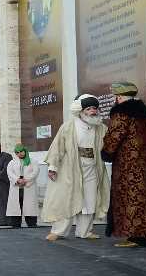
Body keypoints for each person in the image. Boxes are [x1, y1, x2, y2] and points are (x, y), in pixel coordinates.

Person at [101, 83, 146, 247]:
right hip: (144, 163)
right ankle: (143, 235)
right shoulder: (143, 114)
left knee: (130, 199)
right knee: (144, 199)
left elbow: (114, 135)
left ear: (119, 97)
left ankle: (136, 236)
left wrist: (106, 152)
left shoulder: (122, 113)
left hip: (127, 165)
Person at [43, 95, 110, 241]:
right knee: (66, 199)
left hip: (93, 169)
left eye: (94, 108)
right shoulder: (68, 126)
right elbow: (57, 147)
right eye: (89, 108)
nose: (92, 111)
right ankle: (58, 231)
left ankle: (85, 232)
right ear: (81, 111)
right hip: (70, 169)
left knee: (89, 200)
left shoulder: (101, 128)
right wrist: (53, 167)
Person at [6, 144, 39, 228]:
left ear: (25, 151)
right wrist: (17, 180)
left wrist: (26, 180)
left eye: (21, 151)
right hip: (17, 186)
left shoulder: (33, 161)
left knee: (29, 205)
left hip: (28, 186)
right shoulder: (12, 162)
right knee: (16, 205)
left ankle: (31, 222)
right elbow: (9, 172)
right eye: (17, 152)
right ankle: (15, 223)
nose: (19, 153)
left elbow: (35, 172)